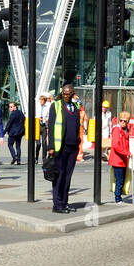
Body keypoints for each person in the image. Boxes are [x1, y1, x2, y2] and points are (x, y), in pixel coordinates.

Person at [44, 84, 84, 213]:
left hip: (73, 148)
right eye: (64, 93)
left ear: (73, 94)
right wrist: (51, 147)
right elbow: (50, 127)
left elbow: (78, 126)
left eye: (68, 94)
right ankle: (57, 204)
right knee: (59, 176)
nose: (66, 96)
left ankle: (65, 202)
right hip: (60, 148)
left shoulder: (76, 107)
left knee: (67, 176)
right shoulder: (55, 106)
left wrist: (78, 143)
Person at [109, 111, 131, 202]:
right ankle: (118, 198)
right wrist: (127, 153)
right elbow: (116, 145)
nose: (122, 122)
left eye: (125, 121)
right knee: (119, 180)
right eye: (121, 120)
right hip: (117, 160)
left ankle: (119, 196)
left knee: (121, 180)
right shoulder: (117, 130)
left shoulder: (125, 130)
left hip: (122, 160)